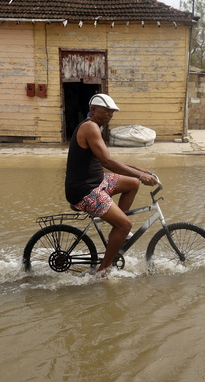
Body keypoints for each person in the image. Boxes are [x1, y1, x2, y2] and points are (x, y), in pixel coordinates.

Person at [65, 93, 158, 275]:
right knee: (125, 225)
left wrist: (138, 171)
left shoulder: (94, 127)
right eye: (106, 111)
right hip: (85, 190)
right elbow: (107, 162)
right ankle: (104, 270)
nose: (110, 115)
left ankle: (116, 235)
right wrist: (141, 175)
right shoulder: (90, 127)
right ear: (93, 110)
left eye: (112, 113)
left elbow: (107, 160)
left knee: (132, 184)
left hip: (97, 182)